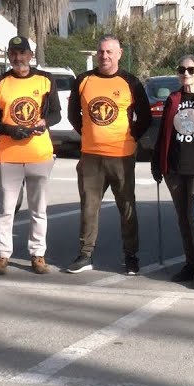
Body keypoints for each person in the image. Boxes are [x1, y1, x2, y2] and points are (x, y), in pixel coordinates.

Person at [64, 35, 151, 275]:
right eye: (101, 51)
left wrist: (131, 137)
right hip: (91, 157)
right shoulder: (84, 80)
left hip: (121, 157)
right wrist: (88, 135)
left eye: (110, 52)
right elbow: (73, 115)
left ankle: (131, 256)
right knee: (89, 208)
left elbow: (144, 116)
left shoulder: (130, 82)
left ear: (119, 53)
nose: (104, 56)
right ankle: (85, 254)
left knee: (127, 207)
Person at [0, 36, 61, 276]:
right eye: (13, 53)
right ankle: (2, 254)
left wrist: (44, 122)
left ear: (30, 55)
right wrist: (10, 130)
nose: (18, 58)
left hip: (40, 154)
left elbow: (56, 113)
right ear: (9, 56)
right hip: (9, 155)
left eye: (22, 53)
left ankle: (38, 254)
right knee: (5, 209)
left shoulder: (45, 80)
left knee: (38, 209)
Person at [150, 54, 194, 290]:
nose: (185, 74)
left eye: (191, 70)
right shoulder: (173, 99)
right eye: (181, 70)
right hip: (174, 168)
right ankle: (190, 265)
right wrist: (156, 163)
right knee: (182, 220)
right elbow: (163, 134)